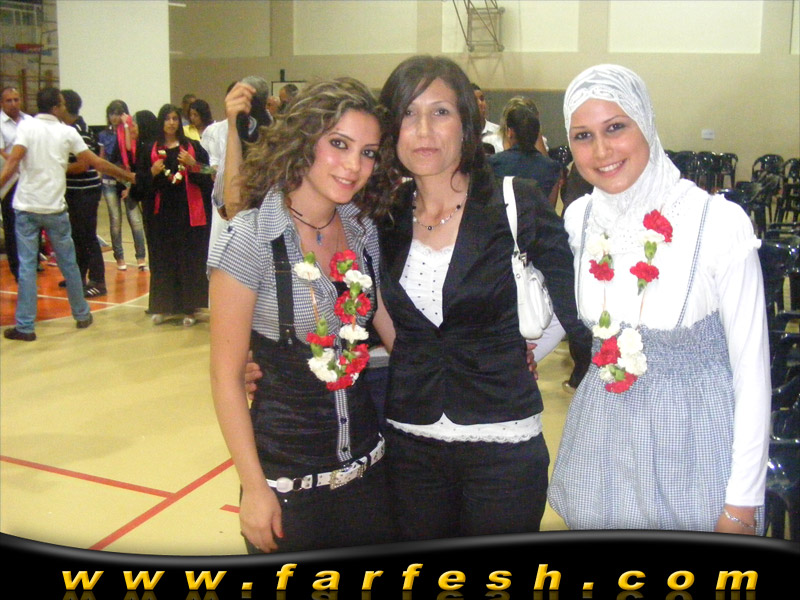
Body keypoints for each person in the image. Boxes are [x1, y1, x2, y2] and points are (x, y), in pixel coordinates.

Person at [547, 64, 771, 534]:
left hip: (693, 448)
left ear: (645, 123)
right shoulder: (580, 218)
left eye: (615, 127)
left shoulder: (717, 223)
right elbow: (566, 311)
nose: (601, 150)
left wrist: (742, 504)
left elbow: (752, 374)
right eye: (583, 136)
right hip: (604, 441)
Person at [369, 55, 583, 542]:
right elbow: (366, 306)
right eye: (409, 113)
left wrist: (527, 349)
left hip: (502, 445)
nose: (424, 129)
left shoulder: (514, 200)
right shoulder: (384, 215)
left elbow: (573, 303)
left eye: (440, 112)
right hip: (411, 441)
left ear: (467, 123)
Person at [208, 77, 396, 554]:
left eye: (368, 153)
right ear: (304, 140)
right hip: (288, 493)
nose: (354, 166)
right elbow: (226, 377)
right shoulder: (251, 239)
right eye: (339, 144)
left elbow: (398, 335)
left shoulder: (363, 231)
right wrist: (254, 490)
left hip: (370, 480)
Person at [0, 87, 133, 341]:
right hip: (55, 209)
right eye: (62, 104)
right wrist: (129, 176)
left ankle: (25, 327)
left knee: (27, 268)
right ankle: (81, 314)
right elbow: (97, 163)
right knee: (69, 264)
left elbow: (12, 163)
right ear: (55, 107)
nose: (65, 108)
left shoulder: (26, 128)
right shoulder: (67, 132)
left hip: (26, 207)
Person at [141, 104, 213, 326]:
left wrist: (193, 165)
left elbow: (210, 173)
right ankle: (164, 306)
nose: (171, 123)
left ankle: (190, 308)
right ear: (161, 122)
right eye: (167, 118)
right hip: (161, 214)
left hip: (188, 213)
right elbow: (140, 182)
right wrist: (152, 172)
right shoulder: (150, 149)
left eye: (175, 118)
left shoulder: (192, 147)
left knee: (188, 258)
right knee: (164, 258)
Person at [61, 89, 107, 297]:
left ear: (66, 106)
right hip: (74, 191)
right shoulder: (68, 128)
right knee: (76, 236)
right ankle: (77, 277)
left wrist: (56, 167)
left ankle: (98, 281)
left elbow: (83, 164)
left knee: (87, 236)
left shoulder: (79, 130)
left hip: (85, 192)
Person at [488, 100, 562, 204]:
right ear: (537, 134)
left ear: (509, 132)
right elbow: (550, 206)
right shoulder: (552, 168)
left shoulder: (492, 163)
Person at [1, 86, 32, 281]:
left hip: (29, 180)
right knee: (12, 226)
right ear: (2, 103)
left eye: (16, 99)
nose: (13, 103)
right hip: (9, 181)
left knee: (30, 224)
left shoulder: (30, 121)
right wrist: (17, 162)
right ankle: (16, 267)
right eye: (9, 100)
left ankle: (32, 261)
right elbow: (3, 152)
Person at [471, 83, 502, 154]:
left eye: (482, 99)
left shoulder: (498, 131)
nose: (480, 103)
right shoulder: (460, 133)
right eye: (475, 100)